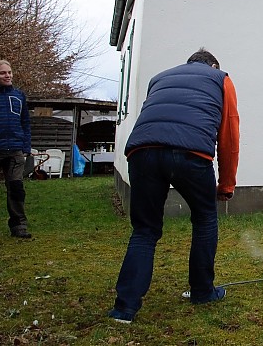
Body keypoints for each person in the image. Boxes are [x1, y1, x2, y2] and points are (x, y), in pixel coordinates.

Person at [107, 49, 240, 324]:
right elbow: (229, 135)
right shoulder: (221, 78)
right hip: (191, 154)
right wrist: (225, 185)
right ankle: (203, 291)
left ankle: (124, 308)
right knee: (205, 219)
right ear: (213, 65)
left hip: (142, 152)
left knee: (144, 230)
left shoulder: (159, 78)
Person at [0, 60, 32, 239]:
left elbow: (25, 123)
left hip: (15, 151)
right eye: (3, 73)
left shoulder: (19, 96)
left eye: (9, 72)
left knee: (16, 188)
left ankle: (18, 226)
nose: (8, 75)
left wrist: (25, 147)